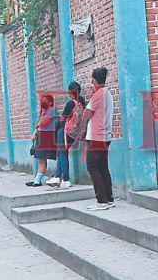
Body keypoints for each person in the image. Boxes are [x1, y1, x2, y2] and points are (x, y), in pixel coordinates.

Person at [83, 67, 115, 210]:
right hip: (105, 135)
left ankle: (101, 201)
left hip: (96, 136)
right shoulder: (107, 93)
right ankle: (109, 199)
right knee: (103, 168)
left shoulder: (97, 96)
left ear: (94, 80)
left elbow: (86, 115)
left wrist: (92, 94)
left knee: (92, 167)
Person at [47, 82, 81, 189]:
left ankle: (65, 179)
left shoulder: (71, 104)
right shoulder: (81, 103)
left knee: (62, 154)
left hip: (64, 132)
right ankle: (57, 177)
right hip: (73, 133)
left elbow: (63, 119)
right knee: (61, 153)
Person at [27, 93, 58, 187]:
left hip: (48, 136)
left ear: (51, 102)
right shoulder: (43, 111)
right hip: (41, 136)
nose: (42, 103)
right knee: (41, 158)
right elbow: (39, 124)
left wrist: (38, 124)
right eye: (42, 101)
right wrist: (34, 133)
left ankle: (40, 179)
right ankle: (37, 180)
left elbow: (44, 122)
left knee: (43, 158)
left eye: (45, 101)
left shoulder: (52, 110)